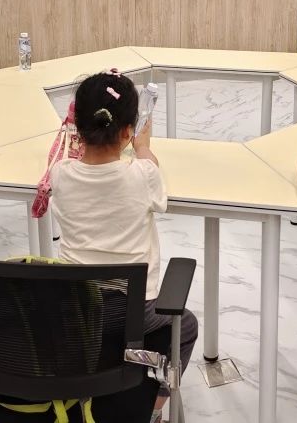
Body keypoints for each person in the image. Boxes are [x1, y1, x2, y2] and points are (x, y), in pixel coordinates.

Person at [49, 72, 197, 423]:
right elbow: (150, 170)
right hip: (133, 313)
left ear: (76, 127)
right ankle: (154, 409)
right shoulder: (142, 175)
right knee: (187, 326)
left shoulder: (60, 175)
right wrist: (143, 148)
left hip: (75, 310)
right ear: (129, 131)